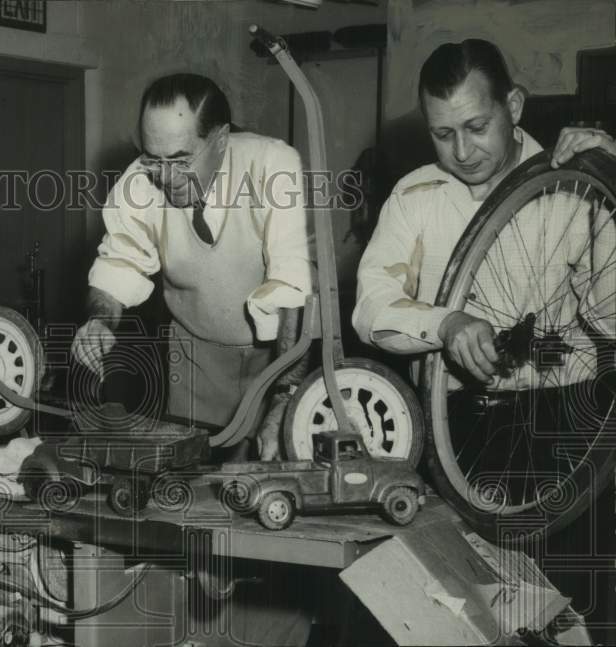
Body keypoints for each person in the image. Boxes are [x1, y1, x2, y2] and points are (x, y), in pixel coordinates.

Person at [72, 73, 314, 463]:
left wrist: (287, 396)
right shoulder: (138, 184)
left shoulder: (272, 166)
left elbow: (295, 291)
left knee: (271, 478)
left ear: (220, 140)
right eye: (154, 159)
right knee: (192, 480)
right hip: (195, 356)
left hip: (276, 358)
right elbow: (119, 266)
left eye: (181, 160)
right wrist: (100, 320)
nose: (165, 177)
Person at [354, 39, 615, 376]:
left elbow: (611, 325)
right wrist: (445, 324)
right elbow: (371, 308)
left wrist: (611, 180)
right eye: (443, 134)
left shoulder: (575, 188)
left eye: (477, 128)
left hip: (563, 412)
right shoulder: (413, 196)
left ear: (515, 106)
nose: (462, 152)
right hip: (451, 418)